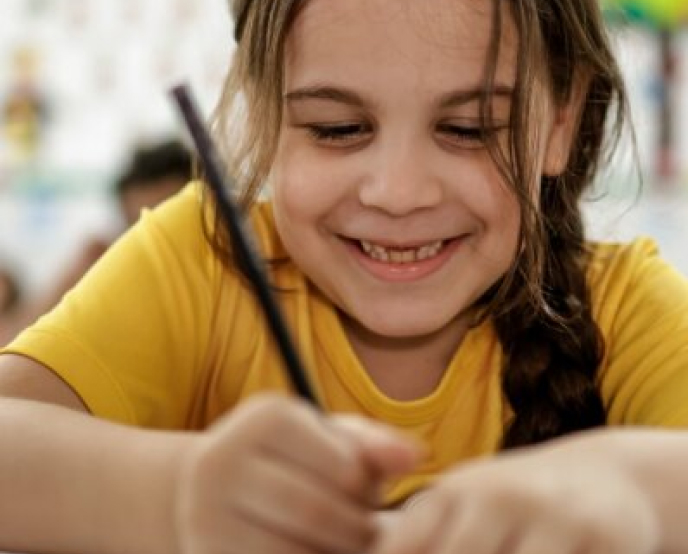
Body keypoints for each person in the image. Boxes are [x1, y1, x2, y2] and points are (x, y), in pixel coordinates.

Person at [1, 0, 688, 552]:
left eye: (470, 128)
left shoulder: (620, 308)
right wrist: (176, 494)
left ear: (561, 118)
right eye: (337, 129)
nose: (397, 191)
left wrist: (627, 485)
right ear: (268, 112)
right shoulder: (204, 261)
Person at [0, 139, 192, 348]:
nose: (147, 246)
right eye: (134, 226)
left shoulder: (208, 286)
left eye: (162, 228)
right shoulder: (102, 262)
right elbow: (16, 340)